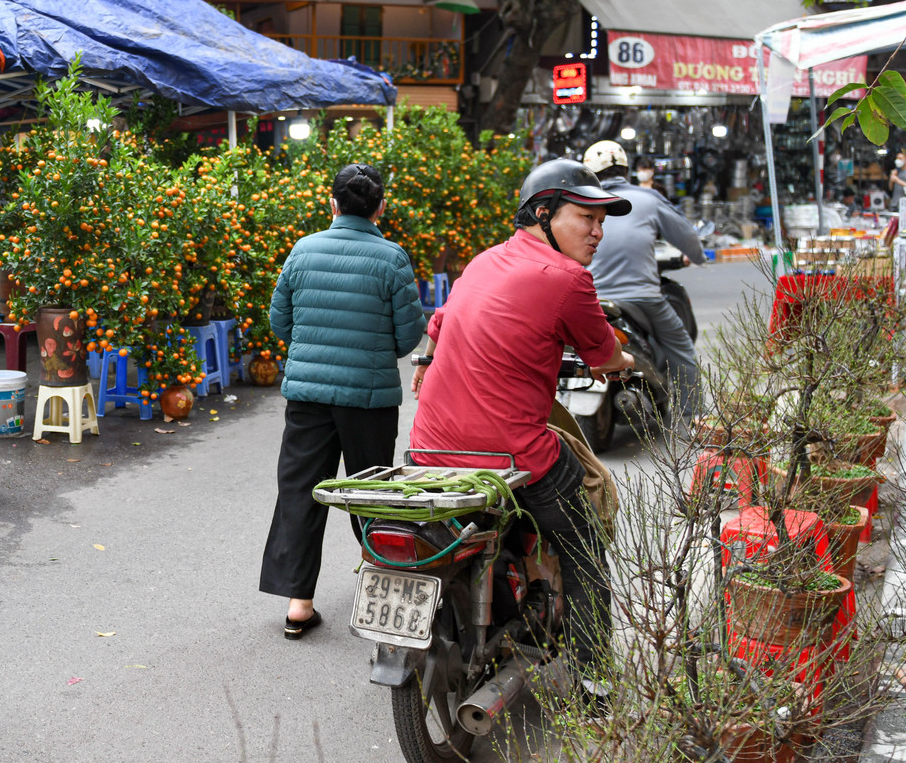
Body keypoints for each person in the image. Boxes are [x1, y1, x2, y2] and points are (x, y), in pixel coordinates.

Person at [407, 160, 633, 679]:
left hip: (427, 449)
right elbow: (604, 356)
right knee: (585, 545)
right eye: (586, 218)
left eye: (602, 222)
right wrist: (626, 361)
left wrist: (426, 360)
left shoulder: (482, 262)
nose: (597, 232)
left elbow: (439, 322)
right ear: (543, 214)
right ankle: (595, 679)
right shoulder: (569, 279)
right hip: (512, 455)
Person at [259, 162, 424, 639]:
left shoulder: (303, 249)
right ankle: (387, 594)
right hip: (368, 399)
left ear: (331, 204)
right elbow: (407, 336)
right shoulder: (392, 258)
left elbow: (280, 321)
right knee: (372, 494)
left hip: (308, 394)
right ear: (380, 208)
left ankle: (298, 605)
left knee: (300, 491)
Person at [580, 139, 705, 415]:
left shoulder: (578, 203)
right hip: (643, 299)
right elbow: (687, 236)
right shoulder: (648, 198)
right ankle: (693, 419)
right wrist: (698, 257)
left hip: (591, 298)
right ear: (627, 171)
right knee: (682, 350)